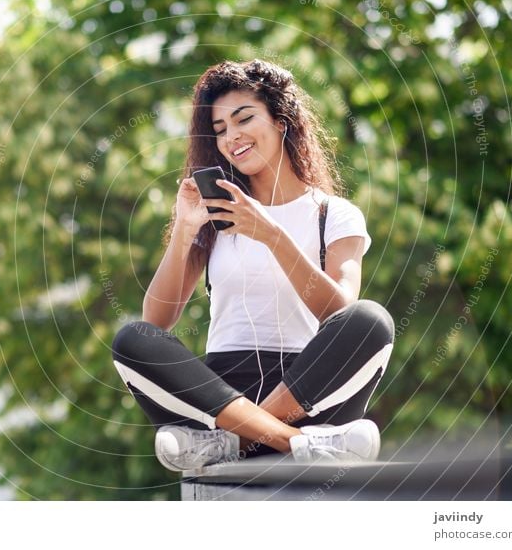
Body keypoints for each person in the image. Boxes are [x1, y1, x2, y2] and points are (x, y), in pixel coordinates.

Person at [111, 59, 395, 471]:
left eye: (244, 119)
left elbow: (338, 312)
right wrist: (184, 230)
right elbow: (157, 319)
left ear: (281, 121)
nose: (232, 137)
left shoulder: (334, 214)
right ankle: (290, 442)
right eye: (221, 129)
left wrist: (271, 234)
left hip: (307, 391)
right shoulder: (214, 218)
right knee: (133, 338)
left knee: (371, 320)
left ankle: (234, 443)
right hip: (220, 397)